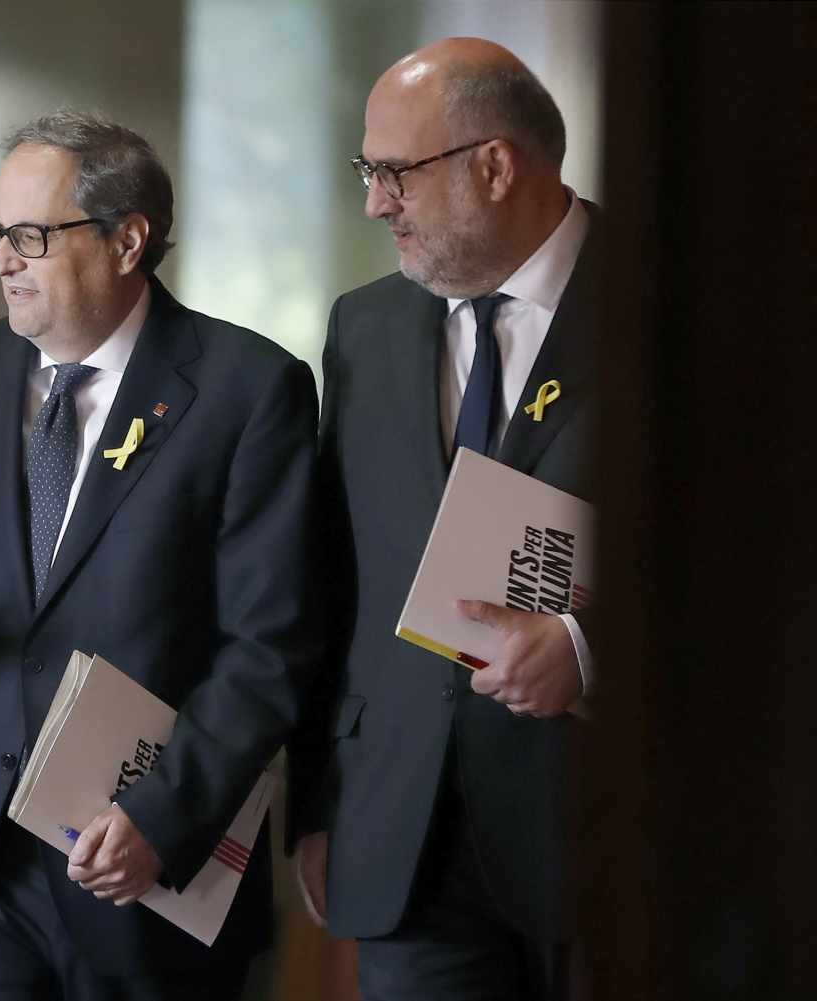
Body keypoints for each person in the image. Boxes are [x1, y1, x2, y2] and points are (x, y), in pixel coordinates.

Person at [0, 110, 323, 1001]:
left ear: (127, 240)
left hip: (146, 876)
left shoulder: (248, 390)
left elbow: (270, 644)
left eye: (29, 235)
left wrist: (162, 813)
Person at [288, 37, 598, 1001]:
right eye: (367, 172)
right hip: (405, 839)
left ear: (495, 167)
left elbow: (759, 551)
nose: (375, 202)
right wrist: (318, 802)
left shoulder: (677, 301)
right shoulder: (364, 325)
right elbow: (328, 578)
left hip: (606, 826)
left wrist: (589, 643)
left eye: (393, 173)